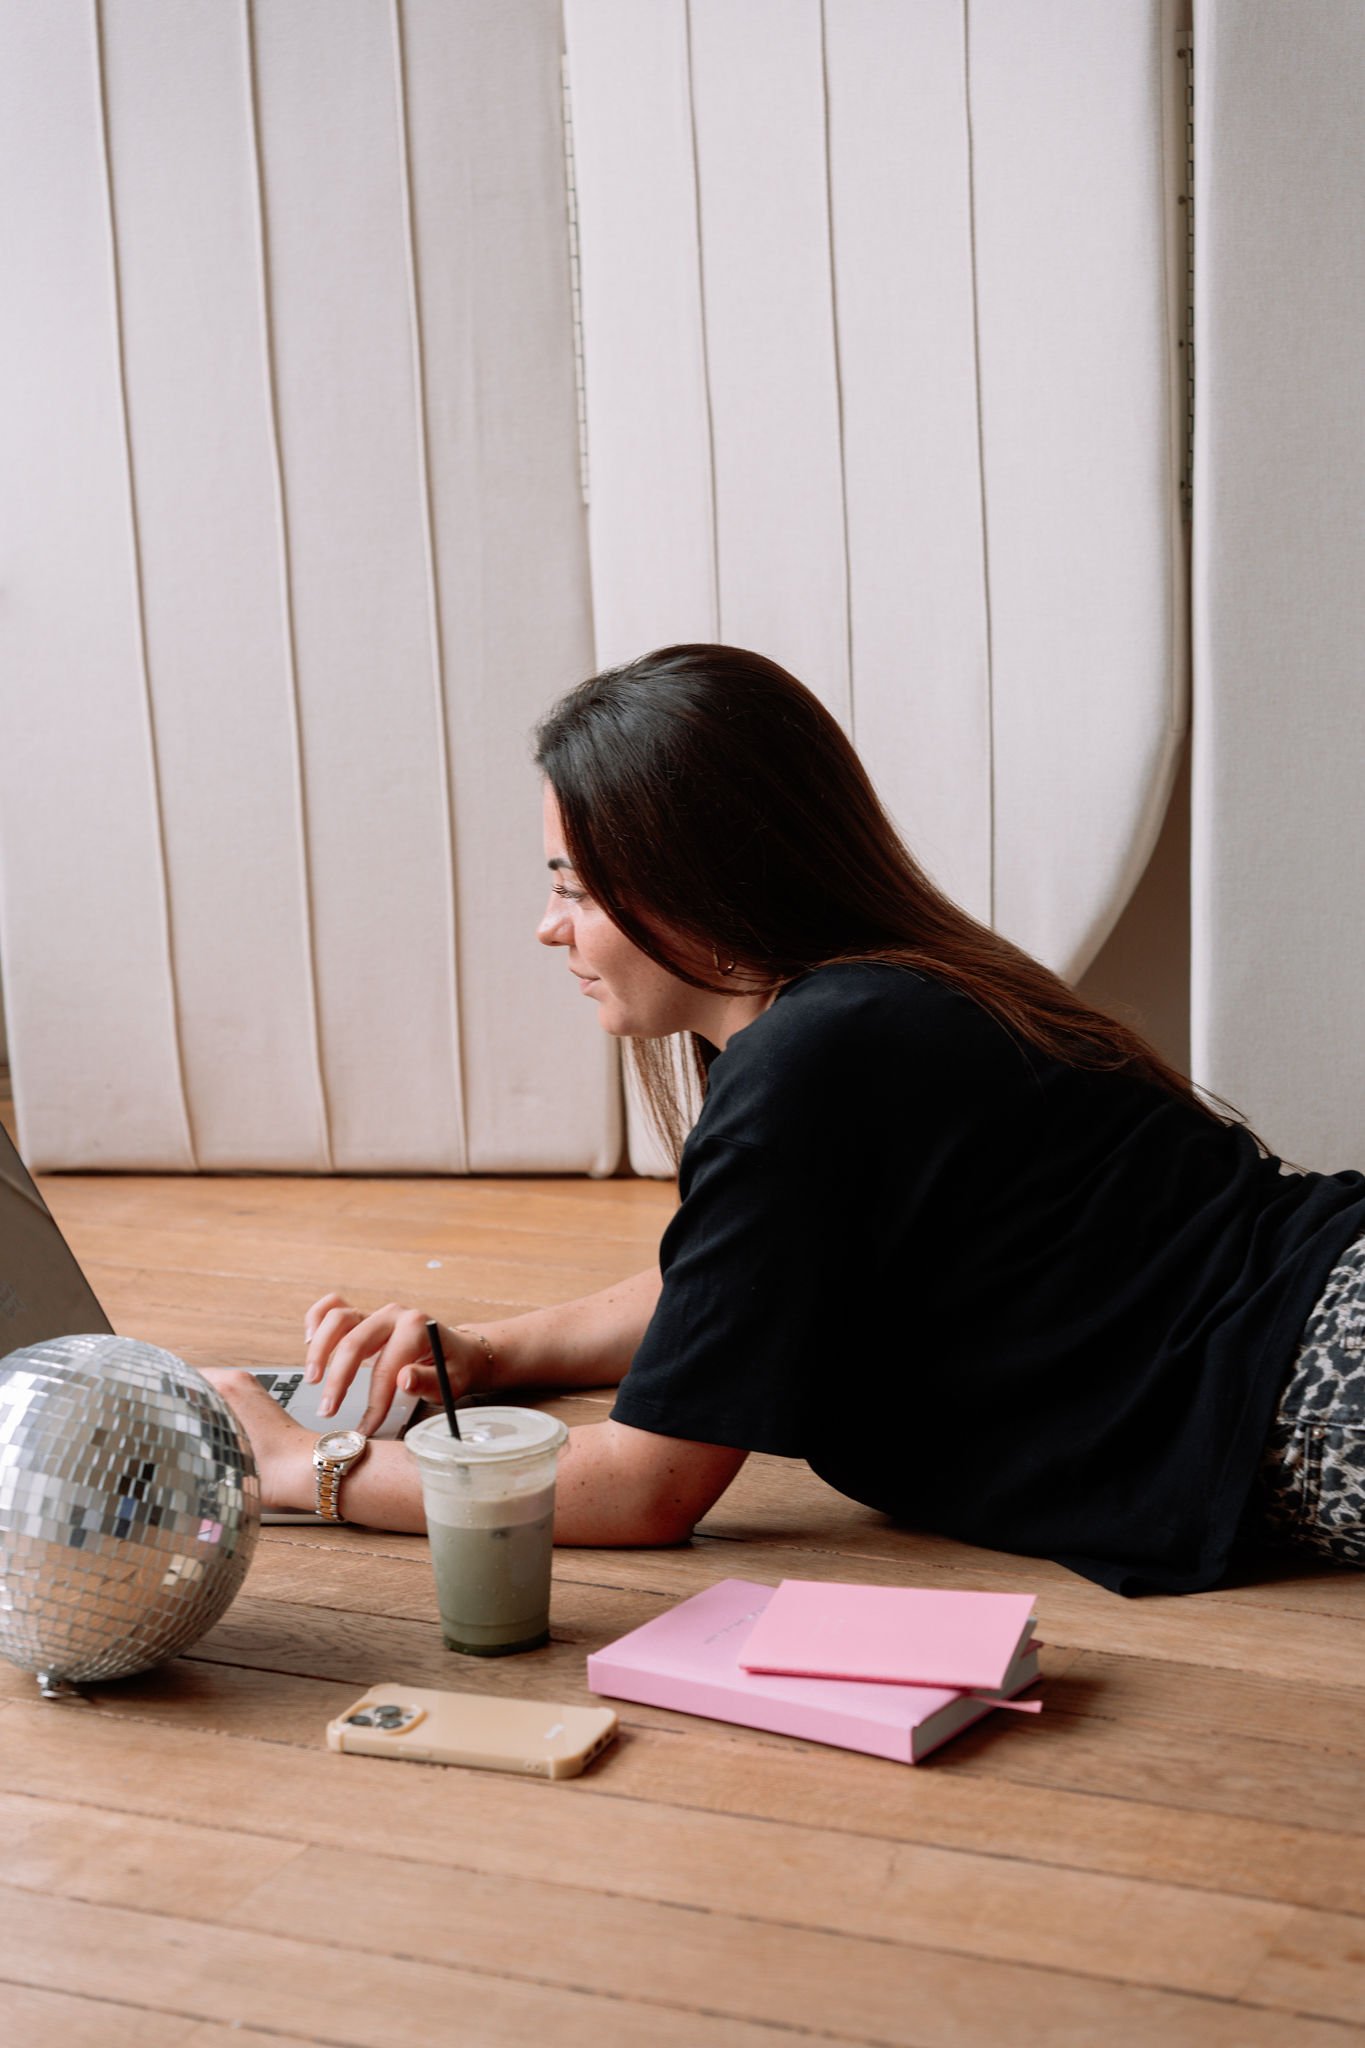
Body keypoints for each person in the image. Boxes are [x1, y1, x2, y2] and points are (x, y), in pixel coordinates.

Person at [212, 644, 1365, 1594]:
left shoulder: (815, 1056)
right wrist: (493, 1352)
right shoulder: (878, 999)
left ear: (698, 882)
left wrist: (301, 1462)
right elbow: (744, 1281)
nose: (547, 926)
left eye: (572, 886)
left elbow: (648, 1487)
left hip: (1325, 1371)